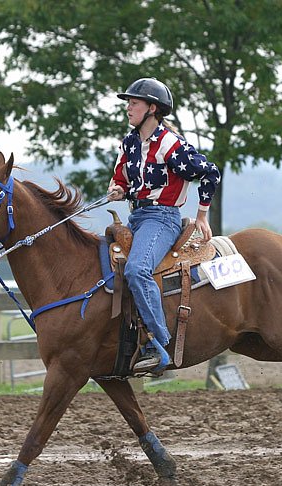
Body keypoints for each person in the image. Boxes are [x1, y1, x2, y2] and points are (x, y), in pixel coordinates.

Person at [107, 78, 221, 373]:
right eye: (129, 103)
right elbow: (120, 176)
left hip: (162, 219)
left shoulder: (169, 143)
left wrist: (202, 215)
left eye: (134, 103)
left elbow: (209, 173)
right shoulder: (129, 143)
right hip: (136, 218)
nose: (128, 108)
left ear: (152, 109)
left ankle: (158, 343)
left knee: (136, 269)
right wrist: (119, 189)